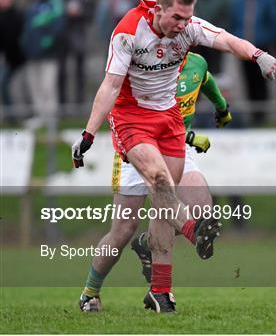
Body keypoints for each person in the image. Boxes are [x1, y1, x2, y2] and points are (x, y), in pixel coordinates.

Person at [73, 0, 276, 313]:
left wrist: (258, 55)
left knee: (162, 207)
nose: (183, 26)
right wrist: (88, 134)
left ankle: (160, 291)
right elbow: (110, 85)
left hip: (169, 122)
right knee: (130, 220)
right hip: (132, 120)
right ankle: (91, 291)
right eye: (178, 18)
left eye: (188, 19)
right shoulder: (128, 32)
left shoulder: (190, 29)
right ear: (159, 10)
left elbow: (225, 39)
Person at [80, 51, 232, 311]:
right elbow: (136, 113)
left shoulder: (196, 62)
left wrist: (221, 107)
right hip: (136, 150)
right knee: (123, 229)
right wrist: (191, 137)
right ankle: (90, 292)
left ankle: (157, 280)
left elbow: (205, 79)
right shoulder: (141, 63)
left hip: (174, 149)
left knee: (202, 209)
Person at [231, 0, 276, 125]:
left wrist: (265, 39)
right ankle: (252, 115)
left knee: (263, 81)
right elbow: (234, 23)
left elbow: (274, 22)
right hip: (243, 48)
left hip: (261, 47)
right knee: (248, 80)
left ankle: (263, 116)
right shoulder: (238, 0)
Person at [21, 0, 64, 129]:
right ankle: (40, 116)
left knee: (48, 87)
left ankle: (51, 118)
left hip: (49, 55)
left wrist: (49, 41)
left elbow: (59, 26)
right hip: (32, 55)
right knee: (35, 87)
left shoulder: (55, 3)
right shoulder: (32, 6)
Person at [57, 0, 94, 106]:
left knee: (80, 72)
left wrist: (79, 13)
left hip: (79, 36)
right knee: (62, 73)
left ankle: (79, 103)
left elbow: (90, 14)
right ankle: (63, 104)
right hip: (62, 37)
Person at [0, 0, 25, 122]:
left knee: (14, 88)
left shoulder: (18, 15)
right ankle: (10, 116)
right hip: (6, 60)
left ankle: (14, 116)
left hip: (17, 60)